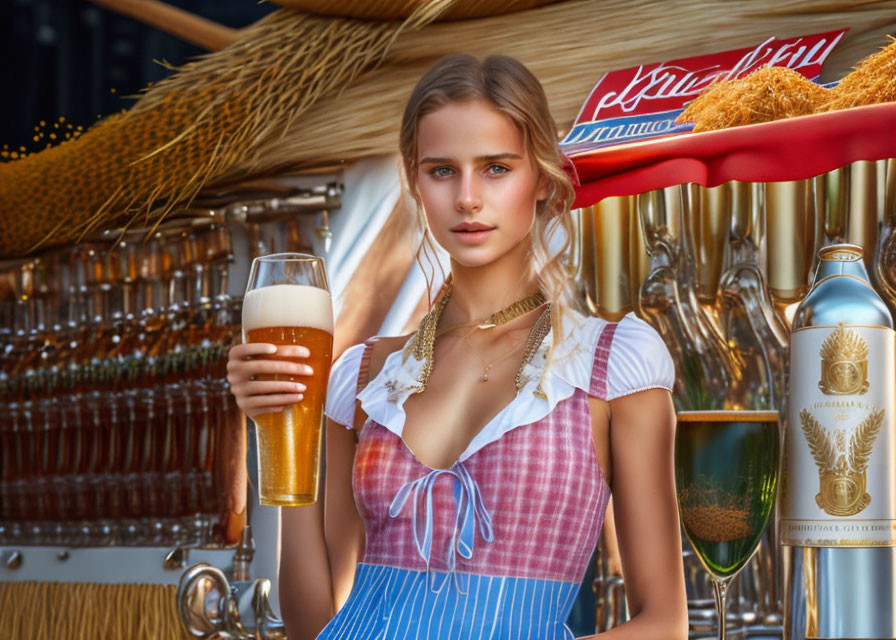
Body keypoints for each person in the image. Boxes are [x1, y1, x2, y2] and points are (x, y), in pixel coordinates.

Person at [227, 54, 688, 640]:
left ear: (542, 178)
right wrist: (282, 424)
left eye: (496, 168)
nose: (467, 198)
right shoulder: (363, 373)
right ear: (415, 181)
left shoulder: (611, 364)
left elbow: (664, 624)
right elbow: (313, 624)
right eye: (442, 171)